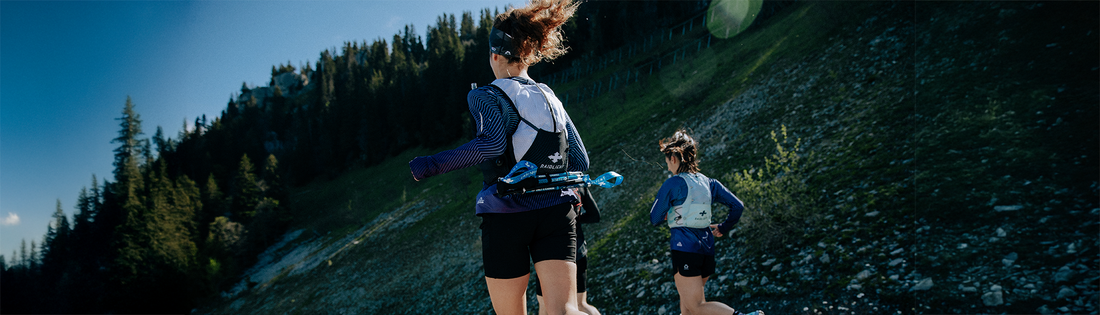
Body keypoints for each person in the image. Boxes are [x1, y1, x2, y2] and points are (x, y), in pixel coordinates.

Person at [408, 1, 587, 314]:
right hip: (558, 209)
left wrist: (429, 165)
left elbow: (489, 145)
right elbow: (580, 161)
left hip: (506, 214)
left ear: (494, 54)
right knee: (565, 310)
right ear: (529, 53)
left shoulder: (487, 95)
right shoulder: (549, 95)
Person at [648, 129, 763, 315]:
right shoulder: (709, 183)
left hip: (685, 248)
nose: (668, 166)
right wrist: (724, 227)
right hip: (706, 249)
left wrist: (669, 212)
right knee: (687, 310)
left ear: (674, 159)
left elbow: (654, 217)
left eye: (667, 161)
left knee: (697, 306)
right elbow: (737, 206)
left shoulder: (673, 183)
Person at [536, 186, 601, 315]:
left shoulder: (541, 185)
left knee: (544, 306)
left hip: (548, 255)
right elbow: (595, 216)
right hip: (578, 251)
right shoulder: (579, 183)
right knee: (581, 305)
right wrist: (573, 218)